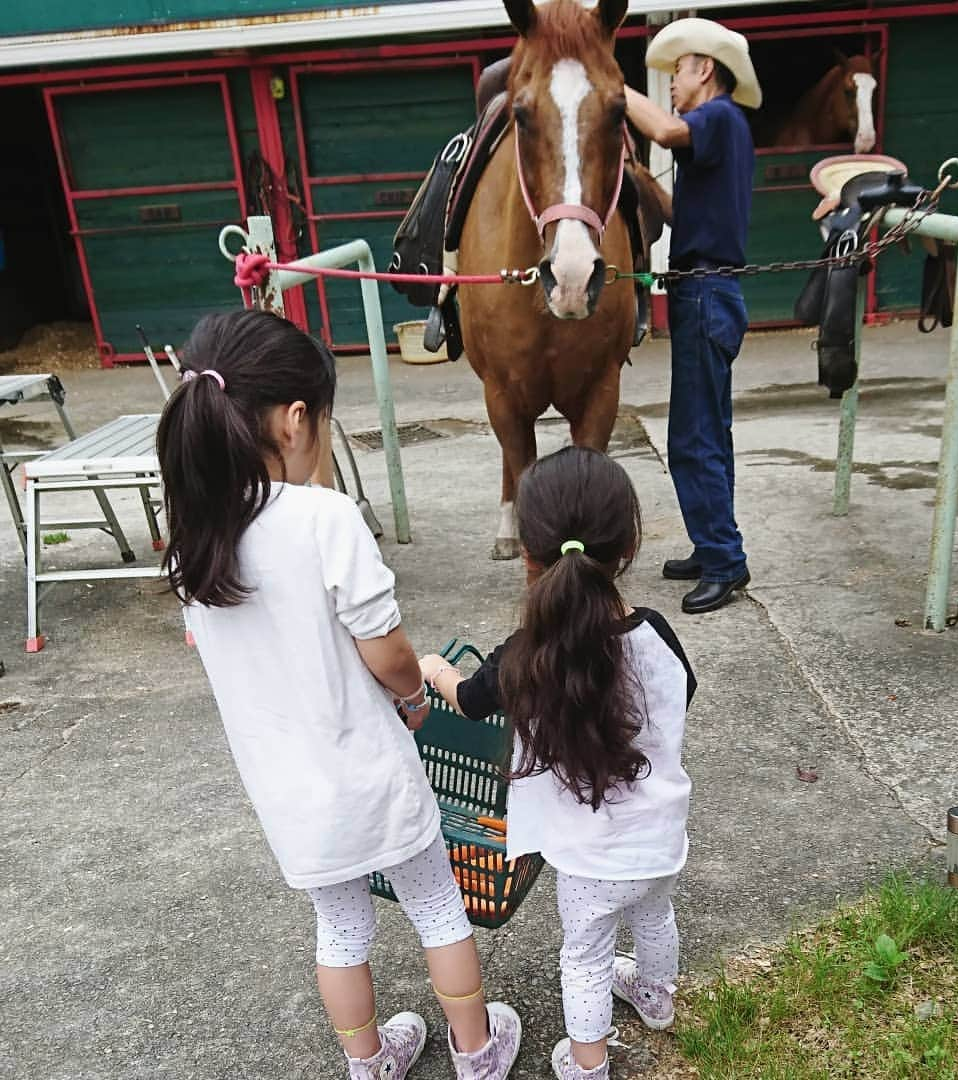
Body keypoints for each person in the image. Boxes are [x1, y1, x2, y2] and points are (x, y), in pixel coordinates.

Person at [156, 309, 520, 1080]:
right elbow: (388, 655)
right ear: (295, 420)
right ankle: (477, 1053)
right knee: (436, 908)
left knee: (340, 930)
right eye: (321, 419)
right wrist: (417, 694)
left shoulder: (195, 538)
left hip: (290, 799)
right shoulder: (326, 519)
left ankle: (368, 1062)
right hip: (371, 780)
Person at [419, 447, 696, 1080]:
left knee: (586, 957)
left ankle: (588, 1064)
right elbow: (684, 691)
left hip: (585, 856)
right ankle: (655, 999)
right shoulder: (655, 632)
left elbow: (467, 700)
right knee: (655, 914)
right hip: (658, 839)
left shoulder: (524, 657)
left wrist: (435, 669)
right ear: (626, 547)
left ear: (528, 554)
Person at [624, 20, 763, 614]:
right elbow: (686, 216)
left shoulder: (718, 117)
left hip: (705, 293)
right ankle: (713, 548)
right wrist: (640, 185)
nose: (671, 86)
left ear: (704, 68)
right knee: (707, 432)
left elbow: (661, 126)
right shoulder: (722, 132)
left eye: (676, 73)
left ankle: (726, 561)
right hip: (706, 292)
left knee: (694, 436)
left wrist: (608, 82)